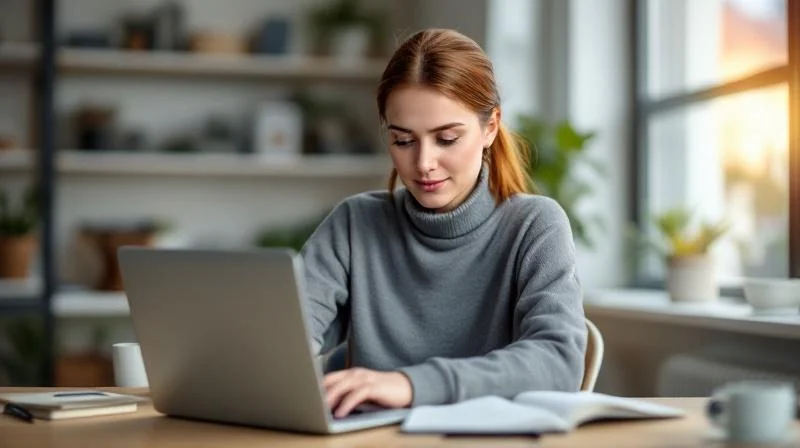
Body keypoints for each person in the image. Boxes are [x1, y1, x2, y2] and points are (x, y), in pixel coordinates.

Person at [301, 28, 587, 418]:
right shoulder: (355, 224)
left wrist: (410, 384)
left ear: (490, 128)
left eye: (447, 138)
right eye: (403, 141)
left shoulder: (535, 225)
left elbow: (558, 362)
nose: (423, 164)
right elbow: (288, 338)